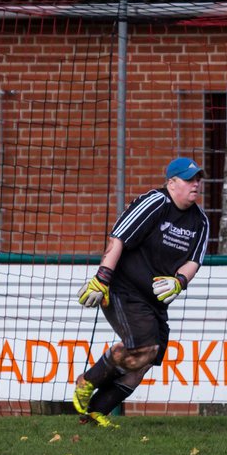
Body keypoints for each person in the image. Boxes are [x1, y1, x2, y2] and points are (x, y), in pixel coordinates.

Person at [72, 156, 211, 426]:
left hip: (154, 302)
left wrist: (179, 281)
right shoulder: (155, 202)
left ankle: (95, 411)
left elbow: (194, 260)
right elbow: (118, 236)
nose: (196, 184)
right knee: (144, 348)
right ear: (172, 183)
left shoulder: (201, 222)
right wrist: (102, 278)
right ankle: (87, 381)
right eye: (189, 179)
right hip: (123, 288)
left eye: (198, 179)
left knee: (148, 359)